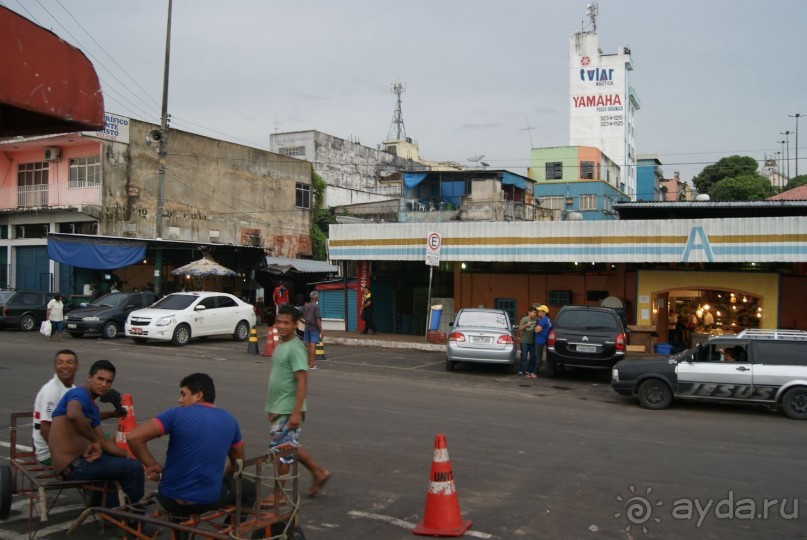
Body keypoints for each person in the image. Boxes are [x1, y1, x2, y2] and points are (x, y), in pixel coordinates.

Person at [127, 373, 254, 517]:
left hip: (169, 499)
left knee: (178, 501)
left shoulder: (174, 414)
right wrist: (223, 478)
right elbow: (239, 463)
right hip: (207, 500)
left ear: (198, 395)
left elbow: (134, 437)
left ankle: (179, 524)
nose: (179, 400)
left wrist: (152, 465)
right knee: (249, 489)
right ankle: (230, 532)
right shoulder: (230, 420)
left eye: (183, 394)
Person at [48, 360, 144, 508]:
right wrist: (94, 440)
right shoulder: (79, 394)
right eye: (100, 379)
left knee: (122, 460)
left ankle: (111, 511)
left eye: (108, 381)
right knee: (134, 469)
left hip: (80, 462)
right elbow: (73, 414)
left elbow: (104, 442)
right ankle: (134, 522)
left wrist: (126, 455)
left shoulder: (91, 406)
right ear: (89, 377)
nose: (104, 384)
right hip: (73, 467)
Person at [263, 304, 330, 506]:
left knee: (282, 452)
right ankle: (319, 472)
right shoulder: (281, 345)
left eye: (286, 323)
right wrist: (271, 408)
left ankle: (280, 493)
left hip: (288, 409)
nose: (282, 326)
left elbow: (302, 381)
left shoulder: (295, 348)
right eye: (279, 322)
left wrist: (295, 413)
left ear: (295, 325)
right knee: (290, 445)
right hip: (278, 408)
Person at [33, 350, 80, 465]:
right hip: (49, 454)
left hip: (66, 441)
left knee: (106, 439)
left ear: (76, 366)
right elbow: (45, 429)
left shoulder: (71, 388)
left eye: (69, 362)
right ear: (55, 366)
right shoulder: (52, 391)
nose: (64, 366)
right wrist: (60, 456)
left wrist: (112, 414)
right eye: (60, 362)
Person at [301, 291, 323, 370]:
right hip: (314, 328)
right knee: (313, 345)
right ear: (316, 298)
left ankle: (307, 363)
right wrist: (320, 329)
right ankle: (312, 364)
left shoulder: (306, 306)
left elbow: (301, 315)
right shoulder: (316, 307)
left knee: (308, 345)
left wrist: (306, 320)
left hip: (307, 326)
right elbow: (317, 319)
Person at [517, 307, 538, 377]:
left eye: (535, 313)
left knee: (533, 357)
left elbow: (543, 320)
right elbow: (519, 328)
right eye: (533, 312)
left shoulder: (535, 319)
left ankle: (529, 371)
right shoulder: (524, 319)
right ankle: (521, 371)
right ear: (529, 312)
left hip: (532, 342)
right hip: (524, 341)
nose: (535, 314)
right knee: (524, 357)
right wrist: (527, 325)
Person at [532, 305, 552, 377]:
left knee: (538, 357)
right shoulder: (548, 319)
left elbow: (537, 330)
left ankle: (535, 373)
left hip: (540, 341)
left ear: (544, 312)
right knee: (539, 357)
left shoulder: (543, 320)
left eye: (539, 311)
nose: (538, 313)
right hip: (543, 340)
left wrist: (535, 327)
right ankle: (535, 372)